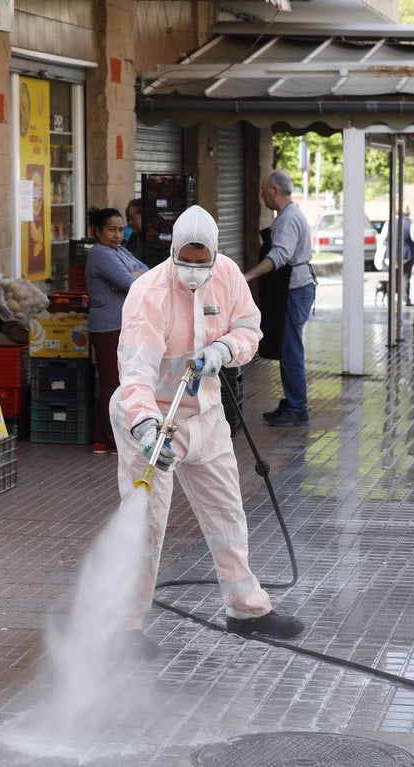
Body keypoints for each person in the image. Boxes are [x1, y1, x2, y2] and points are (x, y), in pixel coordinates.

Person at [111, 205, 305, 652]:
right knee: (145, 524)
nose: (195, 271)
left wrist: (223, 350)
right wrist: (143, 425)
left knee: (227, 514)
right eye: (186, 261)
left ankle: (246, 609)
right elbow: (134, 375)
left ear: (215, 255)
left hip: (207, 416)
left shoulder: (229, 274)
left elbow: (250, 329)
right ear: (173, 251)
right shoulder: (148, 294)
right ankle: (123, 626)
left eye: (203, 262)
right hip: (155, 417)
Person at [245, 169, 316, 427]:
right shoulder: (289, 215)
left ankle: (297, 406)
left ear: (274, 191)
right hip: (296, 288)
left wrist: (248, 275)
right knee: (288, 347)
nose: (261, 194)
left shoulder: (288, 219)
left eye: (264, 189)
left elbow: (279, 256)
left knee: (290, 350)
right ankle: (293, 401)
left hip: (294, 290)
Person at [86, 207, 148, 455]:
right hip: (108, 326)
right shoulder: (101, 254)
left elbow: (146, 272)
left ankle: (107, 439)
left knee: (121, 382)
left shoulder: (119, 251)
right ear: (97, 231)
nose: (118, 235)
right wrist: (131, 278)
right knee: (112, 384)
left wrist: (132, 277)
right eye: (112, 229)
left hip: (123, 326)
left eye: (121, 229)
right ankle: (108, 440)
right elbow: (131, 282)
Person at [124, 198, 150, 268]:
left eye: (133, 219)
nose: (129, 222)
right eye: (129, 218)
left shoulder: (152, 241)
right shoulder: (134, 237)